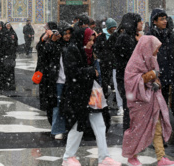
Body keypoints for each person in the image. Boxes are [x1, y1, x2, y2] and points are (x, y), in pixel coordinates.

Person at [61, 27, 121, 166]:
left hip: (92, 91)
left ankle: (104, 157)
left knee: (100, 124)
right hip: (78, 93)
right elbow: (72, 72)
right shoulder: (72, 50)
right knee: (78, 124)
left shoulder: (88, 52)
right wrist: (91, 71)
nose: (91, 43)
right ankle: (68, 156)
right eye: (89, 40)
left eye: (92, 40)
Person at [122, 36, 174, 166]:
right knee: (137, 130)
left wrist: (156, 82)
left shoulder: (151, 60)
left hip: (152, 100)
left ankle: (161, 157)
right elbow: (131, 81)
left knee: (157, 128)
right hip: (139, 103)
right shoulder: (134, 62)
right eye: (156, 49)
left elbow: (156, 78)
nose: (157, 52)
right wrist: (151, 75)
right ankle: (132, 156)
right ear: (147, 48)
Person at [115, 13, 143, 132]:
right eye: (139, 21)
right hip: (127, 79)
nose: (142, 23)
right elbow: (133, 59)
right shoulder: (125, 38)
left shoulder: (131, 36)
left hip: (130, 78)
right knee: (130, 108)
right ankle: (129, 135)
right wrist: (140, 43)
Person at [146, 9, 174, 112]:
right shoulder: (149, 37)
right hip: (156, 77)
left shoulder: (170, 35)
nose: (165, 21)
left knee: (166, 105)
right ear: (154, 21)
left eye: (165, 19)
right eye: (161, 19)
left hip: (168, 75)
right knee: (156, 106)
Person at [50, 23, 73, 140]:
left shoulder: (72, 46)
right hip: (59, 80)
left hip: (70, 80)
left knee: (69, 105)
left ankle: (69, 129)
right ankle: (58, 129)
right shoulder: (56, 46)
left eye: (69, 33)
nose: (67, 36)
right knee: (58, 106)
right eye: (65, 33)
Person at [35, 21, 59, 111]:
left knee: (51, 88)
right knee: (44, 87)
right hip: (44, 67)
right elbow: (39, 49)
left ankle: (49, 105)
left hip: (53, 67)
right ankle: (44, 105)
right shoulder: (44, 36)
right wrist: (43, 40)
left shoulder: (57, 36)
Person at [3, 22, 18, 90]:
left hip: (11, 54)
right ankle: (6, 83)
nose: (8, 27)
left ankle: (11, 84)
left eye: (9, 26)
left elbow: (15, 42)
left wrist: (13, 40)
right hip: (6, 54)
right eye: (7, 26)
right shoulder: (4, 33)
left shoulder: (13, 33)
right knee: (6, 69)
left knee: (11, 69)